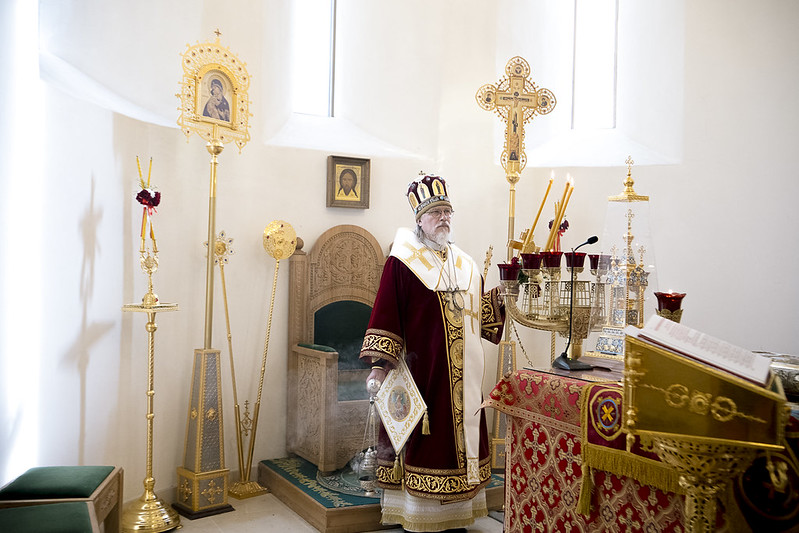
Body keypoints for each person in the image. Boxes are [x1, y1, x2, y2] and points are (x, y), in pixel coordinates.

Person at [360, 173, 505, 533]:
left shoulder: (466, 264)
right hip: (422, 377)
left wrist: (502, 301)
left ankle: (456, 515)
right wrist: (380, 366)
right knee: (426, 443)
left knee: (461, 441)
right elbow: (387, 313)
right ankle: (420, 517)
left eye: (447, 211)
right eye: (436, 212)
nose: (443, 218)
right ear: (420, 220)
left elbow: (479, 320)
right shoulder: (403, 261)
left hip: (465, 383)